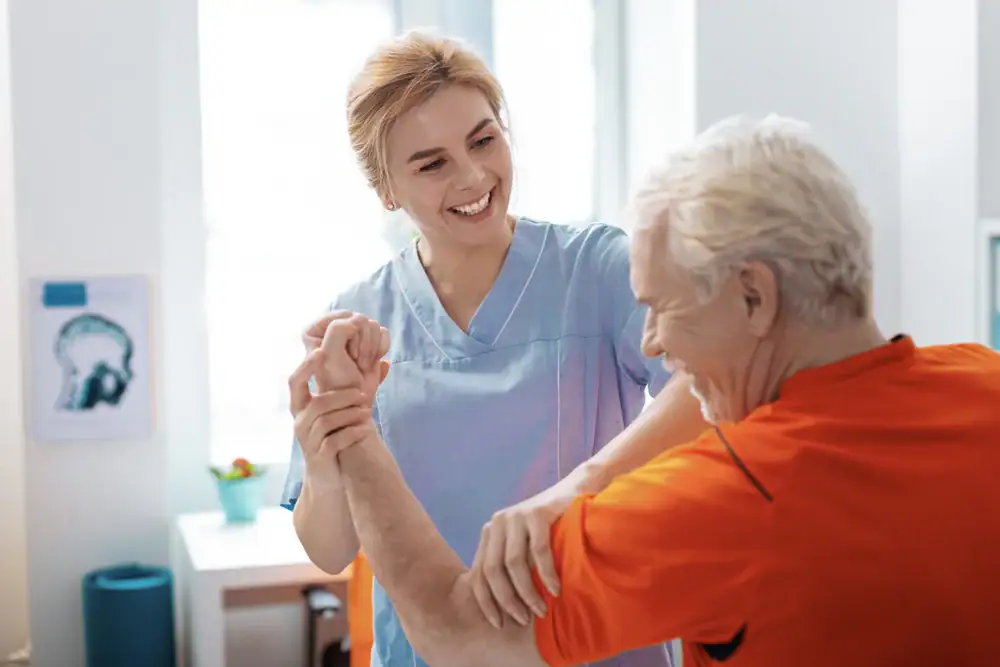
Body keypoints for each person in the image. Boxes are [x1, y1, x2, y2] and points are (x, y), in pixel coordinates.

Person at [290, 113, 1000, 667]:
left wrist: (353, 429)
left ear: (754, 297)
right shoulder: (984, 381)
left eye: (663, 306)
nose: (653, 341)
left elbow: (459, 633)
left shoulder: (723, 496)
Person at [280, 29, 708, 667]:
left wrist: (578, 490)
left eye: (484, 139)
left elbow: (709, 392)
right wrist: (325, 456)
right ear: (386, 189)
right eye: (432, 163)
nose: (474, 175)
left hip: (594, 642)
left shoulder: (598, 270)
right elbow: (330, 550)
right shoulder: (360, 319)